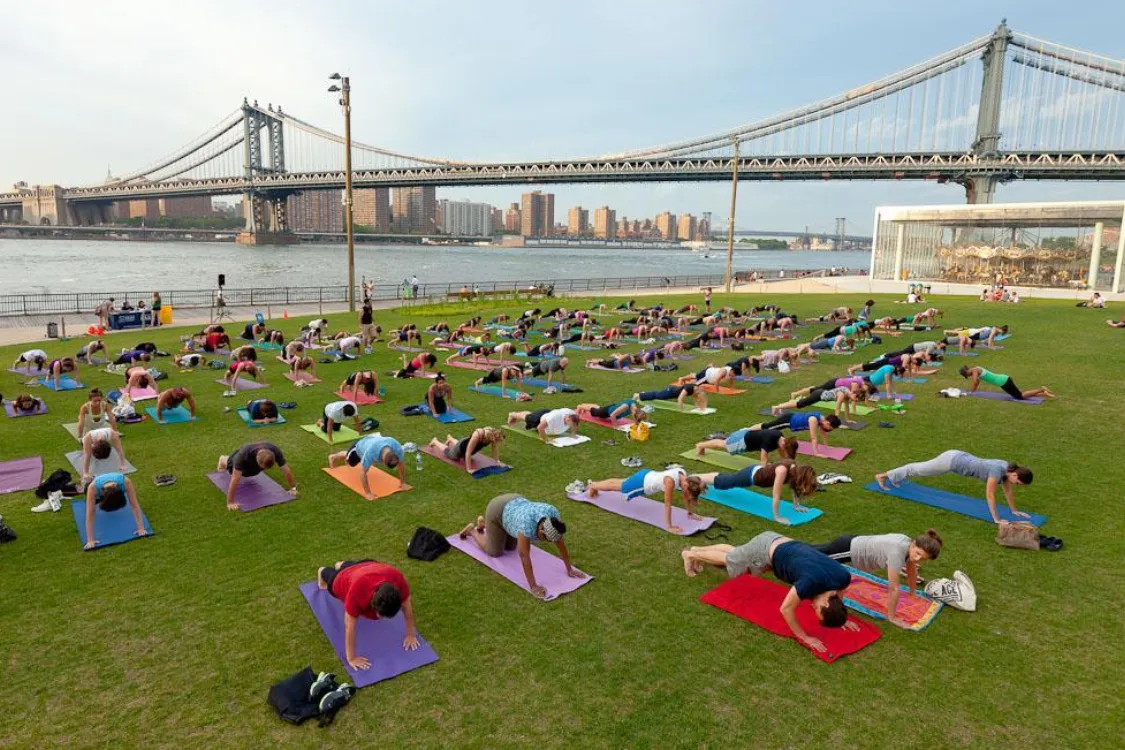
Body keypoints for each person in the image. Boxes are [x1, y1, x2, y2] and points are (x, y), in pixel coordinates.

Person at [680, 532, 855, 652]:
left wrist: (841, 619)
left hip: (781, 542)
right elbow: (786, 609)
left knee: (738, 554)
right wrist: (804, 637)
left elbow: (840, 595)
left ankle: (697, 550)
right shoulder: (809, 583)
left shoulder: (842, 577)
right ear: (825, 603)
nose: (813, 609)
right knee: (732, 563)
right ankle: (689, 555)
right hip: (764, 549)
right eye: (817, 610)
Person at [458, 494, 583, 599]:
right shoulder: (527, 525)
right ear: (541, 530)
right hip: (497, 509)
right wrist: (533, 586)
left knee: (510, 547)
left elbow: (561, 545)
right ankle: (473, 531)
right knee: (495, 551)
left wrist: (569, 569)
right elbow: (524, 556)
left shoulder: (553, 517)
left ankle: (484, 524)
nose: (548, 542)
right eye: (546, 539)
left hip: (514, 507)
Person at [810, 530, 943, 627]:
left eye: (923, 558)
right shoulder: (897, 553)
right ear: (914, 544)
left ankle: (794, 546)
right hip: (848, 549)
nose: (917, 558)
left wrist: (912, 593)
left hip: (853, 541)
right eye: (918, 553)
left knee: (815, 552)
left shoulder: (908, 544)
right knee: (815, 560)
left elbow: (912, 569)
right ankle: (792, 552)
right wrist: (892, 617)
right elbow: (893, 589)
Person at [876, 450, 1036, 523]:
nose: (1016, 486)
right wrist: (996, 519)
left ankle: (893, 476)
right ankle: (883, 476)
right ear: (1015, 475)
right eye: (1018, 483)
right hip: (950, 461)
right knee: (918, 470)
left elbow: (1007, 491)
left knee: (919, 470)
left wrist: (1014, 510)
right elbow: (990, 495)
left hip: (959, 456)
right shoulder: (997, 470)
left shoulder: (1008, 469)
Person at [316, 560, 419, 670]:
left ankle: (340, 565)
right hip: (344, 578)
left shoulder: (397, 579)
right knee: (333, 579)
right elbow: (349, 626)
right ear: (373, 603)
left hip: (368, 566)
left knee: (354, 568)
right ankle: (323, 571)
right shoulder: (356, 592)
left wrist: (410, 634)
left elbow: (406, 606)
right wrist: (351, 658)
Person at [682, 460, 818, 525]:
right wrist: (777, 517)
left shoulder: (794, 470)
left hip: (757, 474)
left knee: (726, 480)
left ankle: (699, 478)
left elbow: (793, 486)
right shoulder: (783, 471)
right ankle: (694, 478)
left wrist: (796, 505)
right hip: (751, 476)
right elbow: (776, 494)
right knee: (724, 483)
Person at [586, 467, 699, 533]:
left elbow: (685, 495)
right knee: (617, 487)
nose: (685, 491)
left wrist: (690, 513)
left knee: (619, 483)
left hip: (646, 474)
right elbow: (668, 505)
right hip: (643, 484)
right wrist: (669, 527)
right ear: (686, 483)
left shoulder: (683, 474)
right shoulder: (670, 482)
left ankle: (595, 484)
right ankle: (593, 486)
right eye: (686, 489)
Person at [217, 442, 296, 510]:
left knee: (252, 473)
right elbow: (235, 479)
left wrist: (293, 488)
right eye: (263, 467)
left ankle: (252, 468)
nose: (264, 470)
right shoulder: (242, 456)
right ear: (257, 460)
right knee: (236, 471)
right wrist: (230, 502)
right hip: (238, 457)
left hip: (252, 459)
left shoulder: (275, 451)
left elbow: (286, 470)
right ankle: (223, 459)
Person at [82, 473, 147, 550]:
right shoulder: (93, 488)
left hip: (114, 485)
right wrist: (90, 540)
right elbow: (90, 514)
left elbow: (134, 505)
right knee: (91, 502)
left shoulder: (126, 482)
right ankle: (87, 483)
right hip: (96, 487)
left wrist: (141, 528)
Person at [328, 434, 406, 498]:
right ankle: (333, 457)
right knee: (350, 462)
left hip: (373, 441)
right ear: (384, 463)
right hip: (359, 447)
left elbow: (401, 465)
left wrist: (402, 483)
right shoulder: (371, 452)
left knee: (367, 461)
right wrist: (368, 493)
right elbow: (363, 473)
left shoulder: (397, 448)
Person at [750, 412, 841, 456]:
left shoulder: (823, 420)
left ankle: (748, 430)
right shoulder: (814, 420)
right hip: (788, 421)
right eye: (830, 428)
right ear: (828, 423)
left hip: (792, 418)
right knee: (768, 427)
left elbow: (824, 433)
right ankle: (748, 430)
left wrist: (827, 446)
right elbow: (813, 437)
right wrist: (816, 453)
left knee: (768, 426)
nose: (829, 430)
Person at [694, 427, 799, 465]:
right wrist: (764, 470)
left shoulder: (780, 437)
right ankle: (700, 445)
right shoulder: (770, 439)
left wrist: (785, 461)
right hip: (741, 440)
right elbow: (763, 457)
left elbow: (781, 451)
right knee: (724, 444)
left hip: (746, 435)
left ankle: (717, 438)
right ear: (785, 444)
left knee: (725, 442)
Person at [427, 428, 506, 474]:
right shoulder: (478, 434)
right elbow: (468, 452)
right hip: (462, 447)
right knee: (452, 456)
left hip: (471, 447)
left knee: (466, 454)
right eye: (496, 441)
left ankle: (450, 439)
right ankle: (435, 441)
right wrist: (469, 469)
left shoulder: (494, 435)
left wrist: (497, 461)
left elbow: (494, 449)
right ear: (493, 437)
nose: (495, 442)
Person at [958, 365, 1055, 401]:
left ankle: (1041, 389)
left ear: (967, 372)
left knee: (1020, 396)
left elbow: (975, 382)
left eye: (967, 375)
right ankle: (1044, 394)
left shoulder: (975, 371)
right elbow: (977, 382)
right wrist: (973, 391)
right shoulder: (976, 369)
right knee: (1018, 395)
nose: (969, 376)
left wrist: (972, 391)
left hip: (1004, 382)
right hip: (1004, 380)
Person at [506, 407, 580, 443]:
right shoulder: (554, 418)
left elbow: (575, 425)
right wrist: (546, 439)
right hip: (538, 419)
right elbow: (540, 428)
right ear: (568, 420)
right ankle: (512, 414)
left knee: (531, 416)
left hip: (547, 414)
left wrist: (573, 434)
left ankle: (528, 413)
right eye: (572, 424)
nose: (573, 426)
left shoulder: (572, 416)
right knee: (527, 418)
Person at [633, 383, 709, 411]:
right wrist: (682, 409)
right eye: (700, 392)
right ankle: (638, 395)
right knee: (657, 395)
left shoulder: (695, 389)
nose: (699, 394)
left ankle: (643, 394)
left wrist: (699, 407)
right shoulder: (689, 388)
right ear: (698, 389)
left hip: (673, 393)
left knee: (657, 394)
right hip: (670, 391)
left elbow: (696, 399)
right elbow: (680, 398)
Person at [575, 399, 648, 425]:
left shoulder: (634, 406)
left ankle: (583, 405)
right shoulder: (626, 407)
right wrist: (616, 426)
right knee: (595, 412)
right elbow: (612, 415)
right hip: (608, 412)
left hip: (612, 407)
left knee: (598, 408)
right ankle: (580, 406)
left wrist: (637, 423)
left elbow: (636, 416)